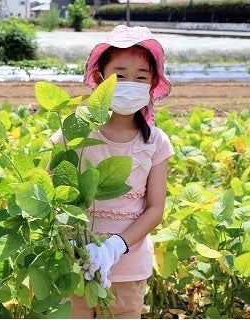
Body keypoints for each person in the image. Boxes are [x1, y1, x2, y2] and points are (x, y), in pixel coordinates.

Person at [54, 25, 176, 318]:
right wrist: (71, 244)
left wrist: (113, 248)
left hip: (129, 269)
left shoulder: (154, 142)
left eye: (140, 77)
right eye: (119, 75)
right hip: (72, 263)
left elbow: (155, 208)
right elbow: (52, 194)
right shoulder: (75, 132)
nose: (129, 83)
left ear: (151, 85)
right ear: (100, 78)